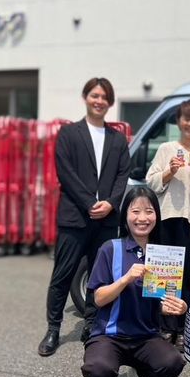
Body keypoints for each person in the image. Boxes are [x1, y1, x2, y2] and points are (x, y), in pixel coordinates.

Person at [37, 77, 131, 357]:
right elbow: (65, 173)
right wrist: (90, 203)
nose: (99, 101)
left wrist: (111, 203)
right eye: (94, 95)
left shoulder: (117, 139)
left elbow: (122, 175)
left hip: (106, 220)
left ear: (110, 103)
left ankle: (92, 325)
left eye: (104, 97)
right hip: (75, 217)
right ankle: (53, 329)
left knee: (99, 276)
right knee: (63, 274)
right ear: (85, 98)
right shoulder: (69, 133)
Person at [81, 186, 188, 377]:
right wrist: (125, 279)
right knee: (98, 369)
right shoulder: (110, 249)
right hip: (109, 335)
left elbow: (161, 303)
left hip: (146, 336)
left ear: (157, 215)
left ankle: (140, 375)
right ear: (125, 216)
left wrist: (178, 306)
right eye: (135, 211)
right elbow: (98, 299)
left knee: (173, 363)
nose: (142, 218)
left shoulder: (164, 255)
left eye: (149, 211)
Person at [145, 99, 190, 352]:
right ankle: (164, 328)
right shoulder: (167, 149)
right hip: (166, 218)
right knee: (163, 275)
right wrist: (169, 171)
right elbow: (151, 181)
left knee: (186, 276)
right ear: (178, 121)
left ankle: (183, 329)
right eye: (186, 118)